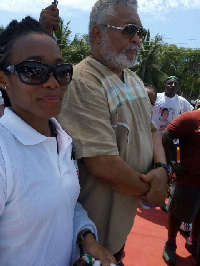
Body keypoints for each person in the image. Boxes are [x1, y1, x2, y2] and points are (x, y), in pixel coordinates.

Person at [41, 1, 169, 264]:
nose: (136, 39)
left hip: (115, 240)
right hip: (85, 245)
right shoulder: (83, 81)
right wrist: (152, 190)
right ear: (97, 33)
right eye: (129, 30)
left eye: (140, 32)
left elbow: (152, 128)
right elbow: (103, 165)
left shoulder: (131, 79)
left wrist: (161, 168)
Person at [0, 16, 117, 266]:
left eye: (61, 72)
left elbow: (66, 203)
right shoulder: (3, 153)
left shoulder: (62, 140)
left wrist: (86, 237)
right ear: (3, 79)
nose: (53, 83)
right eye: (33, 71)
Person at [162, 110, 200, 265]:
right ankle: (170, 243)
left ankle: (193, 241)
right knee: (178, 213)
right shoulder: (192, 118)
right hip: (188, 179)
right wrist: (172, 163)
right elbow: (166, 135)